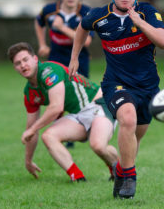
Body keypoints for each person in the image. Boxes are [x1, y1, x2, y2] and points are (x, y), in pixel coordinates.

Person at [68, 0, 164, 199]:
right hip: (116, 83)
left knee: (136, 136)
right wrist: (74, 58)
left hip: (147, 87)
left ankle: (121, 170)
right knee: (128, 119)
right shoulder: (98, 16)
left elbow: (163, 42)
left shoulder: (148, 12)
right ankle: (130, 177)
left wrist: (139, 22)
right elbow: (82, 28)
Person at [8, 42, 118, 182]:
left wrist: (33, 128)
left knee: (98, 146)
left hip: (99, 104)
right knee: (48, 136)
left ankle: (117, 167)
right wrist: (28, 161)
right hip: (78, 115)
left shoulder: (49, 70)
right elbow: (31, 129)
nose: (23, 65)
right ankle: (77, 178)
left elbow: (56, 107)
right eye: (18, 63)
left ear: (35, 59)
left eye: (25, 60)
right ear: (15, 68)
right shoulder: (29, 93)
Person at [34, 0, 94, 149]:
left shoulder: (87, 13)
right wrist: (42, 44)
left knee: (79, 95)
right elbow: (38, 22)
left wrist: (61, 28)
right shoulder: (49, 10)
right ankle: (60, 131)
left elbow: (87, 41)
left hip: (79, 58)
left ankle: (80, 130)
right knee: (56, 93)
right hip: (56, 57)